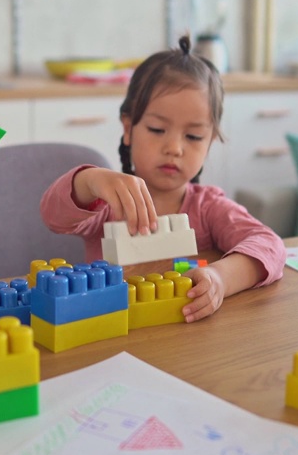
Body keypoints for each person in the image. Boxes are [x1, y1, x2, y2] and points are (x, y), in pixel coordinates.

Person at [40, 37, 285, 322]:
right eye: (158, 129)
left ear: (210, 142)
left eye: (193, 136)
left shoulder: (208, 207)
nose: (175, 148)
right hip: (110, 333)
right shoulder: (106, 204)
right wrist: (90, 180)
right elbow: (52, 215)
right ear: (129, 128)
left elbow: (270, 246)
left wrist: (220, 278)